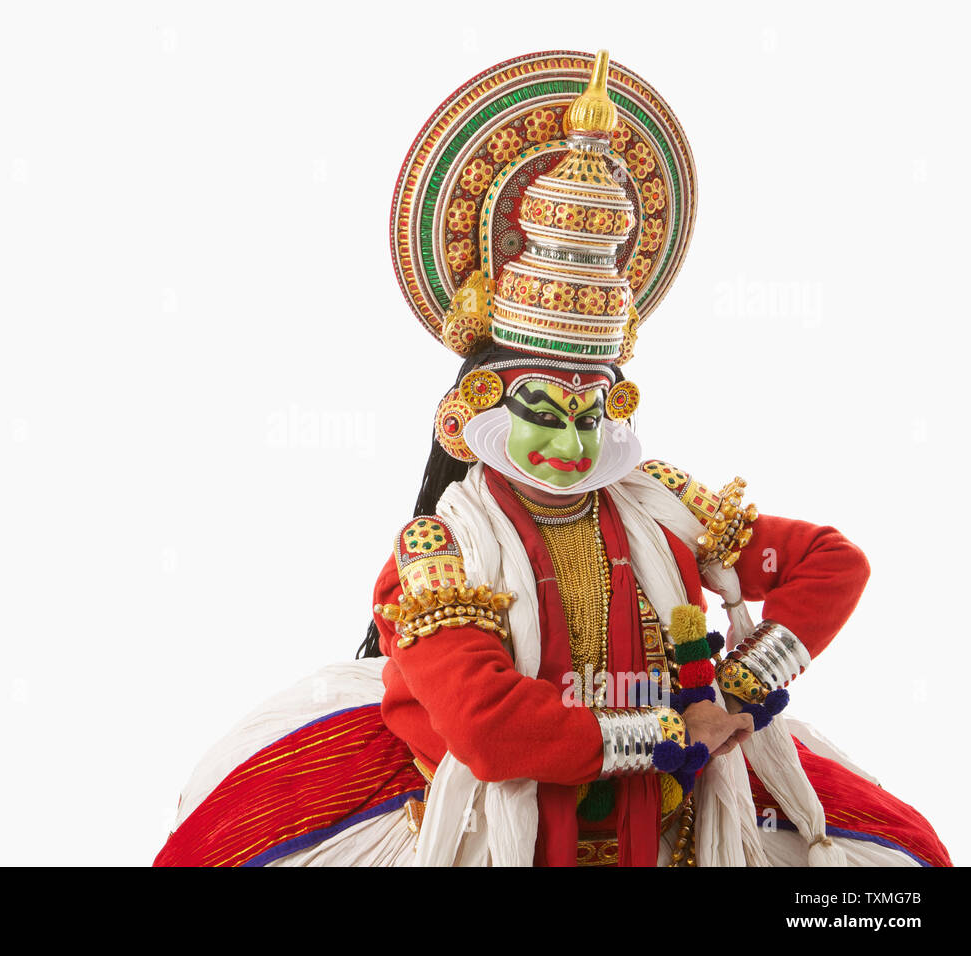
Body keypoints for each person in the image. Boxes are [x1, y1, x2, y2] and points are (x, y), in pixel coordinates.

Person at [152, 50, 951, 867]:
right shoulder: (438, 552)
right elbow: (490, 731)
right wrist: (673, 730)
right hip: (488, 822)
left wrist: (742, 691)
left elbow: (830, 564)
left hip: (681, 813)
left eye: (590, 412)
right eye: (542, 411)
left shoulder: (662, 505)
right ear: (476, 409)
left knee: (897, 867)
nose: (572, 447)